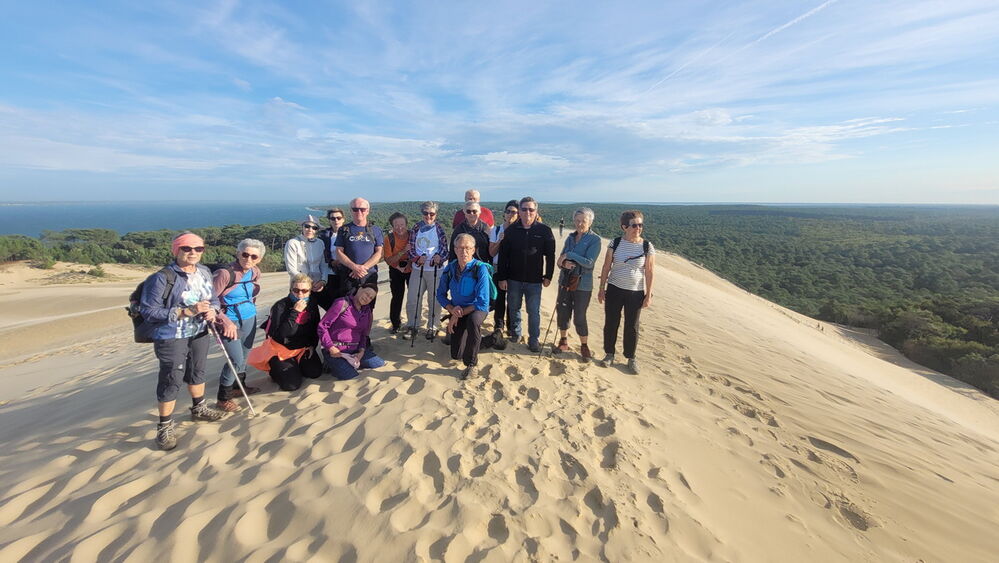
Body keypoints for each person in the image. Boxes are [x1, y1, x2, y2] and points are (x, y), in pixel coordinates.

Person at [140, 232, 230, 451]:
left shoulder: (205, 272)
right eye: (187, 248)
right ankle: (164, 426)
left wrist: (213, 311)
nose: (193, 253)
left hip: (199, 331)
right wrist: (186, 311)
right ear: (176, 250)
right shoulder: (162, 278)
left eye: (198, 249)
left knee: (197, 371)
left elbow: (214, 299)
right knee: (172, 378)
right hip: (171, 335)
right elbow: (149, 311)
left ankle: (198, 408)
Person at [597, 210, 655, 374]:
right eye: (634, 225)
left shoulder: (647, 246)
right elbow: (606, 267)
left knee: (632, 326)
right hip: (615, 289)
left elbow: (649, 272)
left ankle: (631, 357)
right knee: (611, 323)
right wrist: (601, 289)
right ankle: (609, 354)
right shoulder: (614, 243)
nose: (638, 228)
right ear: (624, 227)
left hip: (635, 292)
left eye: (640, 225)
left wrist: (648, 294)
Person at [496, 196, 556, 353]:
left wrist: (548, 275)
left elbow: (550, 255)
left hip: (534, 280)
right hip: (513, 278)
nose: (528, 212)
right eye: (524, 209)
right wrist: (502, 277)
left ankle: (534, 339)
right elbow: (503, 256)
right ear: (520, 212)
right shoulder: (511, 231)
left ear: (536, 212)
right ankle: (516, 334)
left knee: (533, 311)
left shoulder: (544, 231)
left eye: (531, 209)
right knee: (514, 308)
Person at [213, 238, 265, 411]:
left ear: (259, 259)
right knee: (235, 359)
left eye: (254, 256)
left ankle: (238, 387)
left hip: (249, 316)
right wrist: (223, 320)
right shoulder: (225, 274)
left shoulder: (255, 272)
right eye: (245, 254)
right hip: (229, 321)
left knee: (245, 354)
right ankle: (223, 398)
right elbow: (209, 301)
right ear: (238, 253)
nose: (248, 259)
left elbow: (253, 291)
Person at [250, 274, 323, 391]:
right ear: (290, 290)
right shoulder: (280, 306)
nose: (300, 294)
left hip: (301, 347)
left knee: (315, 372)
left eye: (304, 291)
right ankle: (274, 369)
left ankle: (295, 366)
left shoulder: (312, 304)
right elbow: (282, 334)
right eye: (296, 290)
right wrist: (295, 312)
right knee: (291, 385)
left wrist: (312, 346)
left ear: (310, 291)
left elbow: (315, 327)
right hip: (281, 349)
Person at [437, 234, 491, 380]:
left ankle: (472, 365)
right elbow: (440, 294)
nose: (464, 251)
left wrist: (457, 314)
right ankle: (487, 341)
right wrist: (451, 309)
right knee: (456, 354)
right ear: (454, 249)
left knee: (473, 322)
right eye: (460, 248)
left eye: (467, 248)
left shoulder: (480, 269)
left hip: (476, 309)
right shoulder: (450, 268)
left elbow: (483, 301)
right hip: (458, 310)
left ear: (474, 250)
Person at [553, 209, 601, 361]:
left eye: (583, 221)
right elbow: (560, 260)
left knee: (579, 316)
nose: (580, 224)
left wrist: (570, 255)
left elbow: (589, 263)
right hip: (565, 281)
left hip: (583, 285)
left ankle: (584, 345)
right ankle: (563, 340)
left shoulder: (595, 240)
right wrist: (564, 262)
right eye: (577, 220)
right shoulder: (570, 238)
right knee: (563, 311)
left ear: (590, 222)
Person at [318, 283, 386, 380]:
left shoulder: (367, 311)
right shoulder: (342, 303)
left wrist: (361, 351)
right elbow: (322, 326)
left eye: (370, 298)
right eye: (367, 294)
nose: (367, 298)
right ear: (360, 289)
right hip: (336, 349)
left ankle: (345, 363)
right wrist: (330, 347)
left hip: (355, 349)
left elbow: (364, 334)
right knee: (350, 375)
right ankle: (330, 363)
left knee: (379, 363)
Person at [405, 201, 448, 339]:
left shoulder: (439, 228)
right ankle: (413, 325)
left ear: (436, 214)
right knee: (413, 299)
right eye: (425, 213)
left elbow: (445, 251)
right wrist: (417, 258)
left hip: (435, 270)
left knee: (434, 300)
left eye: (432, 213)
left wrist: (439, 257)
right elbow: (411, 248)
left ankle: (433, 326)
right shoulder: (416, 227)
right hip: (418, 269)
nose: (428, 216)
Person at [334, 198, 383, 297]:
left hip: (369, 275)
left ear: (368, 211)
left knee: (368, 307)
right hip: (349, 275)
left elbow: (379, 253)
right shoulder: (344, 230)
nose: (359, 212)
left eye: (362, 209)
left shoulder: (376, 230)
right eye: (355, 209)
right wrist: (354, 267)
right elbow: (339, 252)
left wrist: (362, 269)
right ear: (351, 211)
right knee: (348, 307)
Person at [488, 200, 520, 339]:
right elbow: (491, 253)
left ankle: (512, 327)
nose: (510, 214)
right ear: (504, 214)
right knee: (499, 299)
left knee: (513, 300)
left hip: (514, 269)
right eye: (508, 211)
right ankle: (499, 326)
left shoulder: (520, 231)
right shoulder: (496, 230)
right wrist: (500, 240)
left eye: (514, 212)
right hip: (497, 269)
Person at [284, 215, 329, 296]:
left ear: (317, 230)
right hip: (300, 287)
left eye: (314, 228)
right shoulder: (292, 243)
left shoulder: (320, 243)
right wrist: (307, 283)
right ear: (302, 227)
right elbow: (291, 269)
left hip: (317, 285)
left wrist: (323, 281)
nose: (310, 230)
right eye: (307, 226)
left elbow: (323, 265)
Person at [383, 212, 412, 334]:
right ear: (392, 226)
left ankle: (412, 323)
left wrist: (409, 264)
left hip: (412, 268)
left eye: (402, 224)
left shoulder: (413, 235)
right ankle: (396, 324)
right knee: (397, 297)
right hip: (395, 270)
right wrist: (403, 252)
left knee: (413, 297)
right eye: (396, 225)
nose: (399, 227)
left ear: (406, 224)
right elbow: (388, 259)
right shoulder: (389, 238)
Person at [316, 208, 346, 309]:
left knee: (347, 301)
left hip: (347, 272)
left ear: (343, 219)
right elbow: (322, 254)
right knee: (334, 303)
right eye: (332, 218)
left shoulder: (349, 233)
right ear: (329, 220)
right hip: (331, 272)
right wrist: (332, 262)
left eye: (338, 218)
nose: (336, 220)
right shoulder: (324, 235)